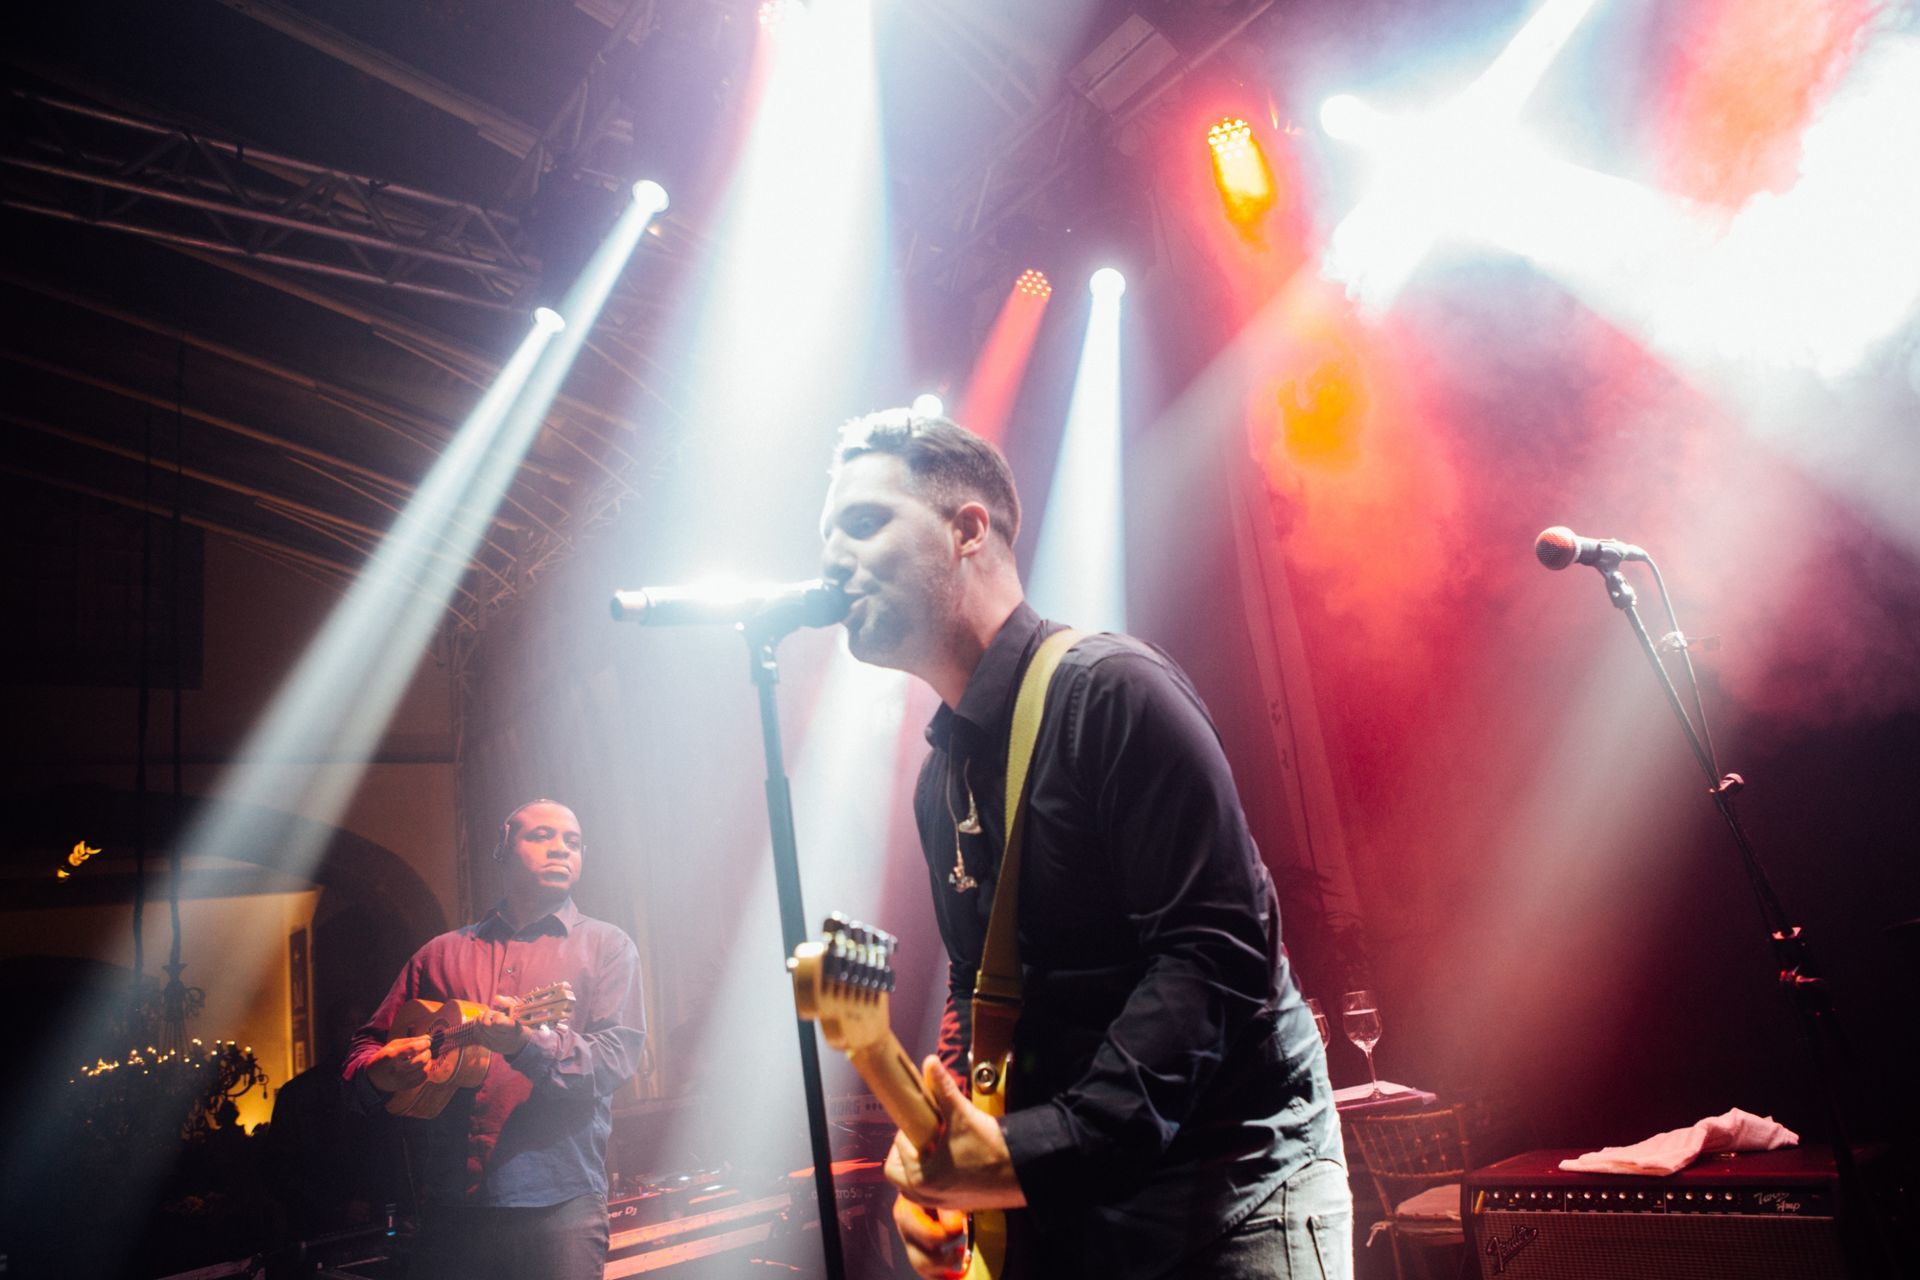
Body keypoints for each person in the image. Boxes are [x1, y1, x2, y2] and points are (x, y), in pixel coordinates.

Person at [819, 411, 1350, 1280]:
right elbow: (981, 989)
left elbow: (1210, 955)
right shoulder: (939, 780)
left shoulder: (1110, 692)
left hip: (1231, 1188)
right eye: (825, 535)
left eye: (865, 522)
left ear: (967, 529)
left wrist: (1030, 1153)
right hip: (1089, 1206)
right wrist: (950, 1158)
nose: (831, 560)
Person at [342, 799, 645, 1280]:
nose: (560, 850)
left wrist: (527, 1045)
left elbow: (614, 1060)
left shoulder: (606, 947)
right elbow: (366, 1048)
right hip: (452, 1203)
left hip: (560, 1205)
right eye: (541, 836)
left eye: (573, 842)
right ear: (503, 845)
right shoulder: (439, 955)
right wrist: (380, 1074)